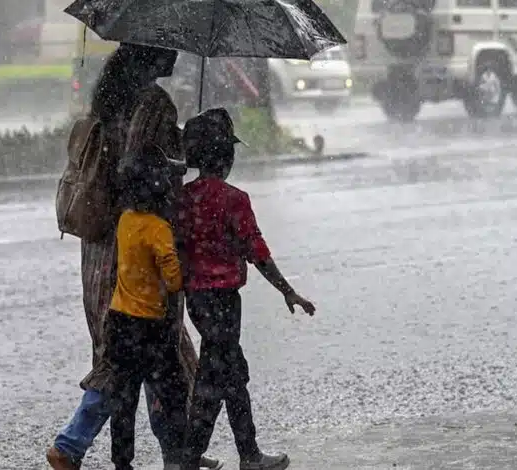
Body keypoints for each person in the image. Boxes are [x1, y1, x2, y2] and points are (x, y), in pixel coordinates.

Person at [60, 43, 221, 470]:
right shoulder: (153, 103)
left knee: (150, 348)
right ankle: (70, 446)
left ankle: (180, 447)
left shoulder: (108, 99)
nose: (177, 55)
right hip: (137, 245)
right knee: (136, 352)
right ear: (150, 55)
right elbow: (144, 169)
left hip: (101, 246)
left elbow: (124, 164)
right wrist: (186, 153)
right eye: (168, 48)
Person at [177, 109, 317, 470]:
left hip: (195, 300)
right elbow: (257, 251)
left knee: (226, 372)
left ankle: (229, 454)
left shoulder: (182, 198)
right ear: (226, 156)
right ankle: (225, 457)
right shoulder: (233, 199)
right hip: (224, 301)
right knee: (221, 375)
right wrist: (287, 290)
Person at [47, 144, 189, 470]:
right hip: (151, 326)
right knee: (170, 391)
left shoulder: (126, 220)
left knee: (120, 396)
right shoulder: (159, 229)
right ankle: (178, 458)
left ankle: (110, 458)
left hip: (120, 322)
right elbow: (174, 280)